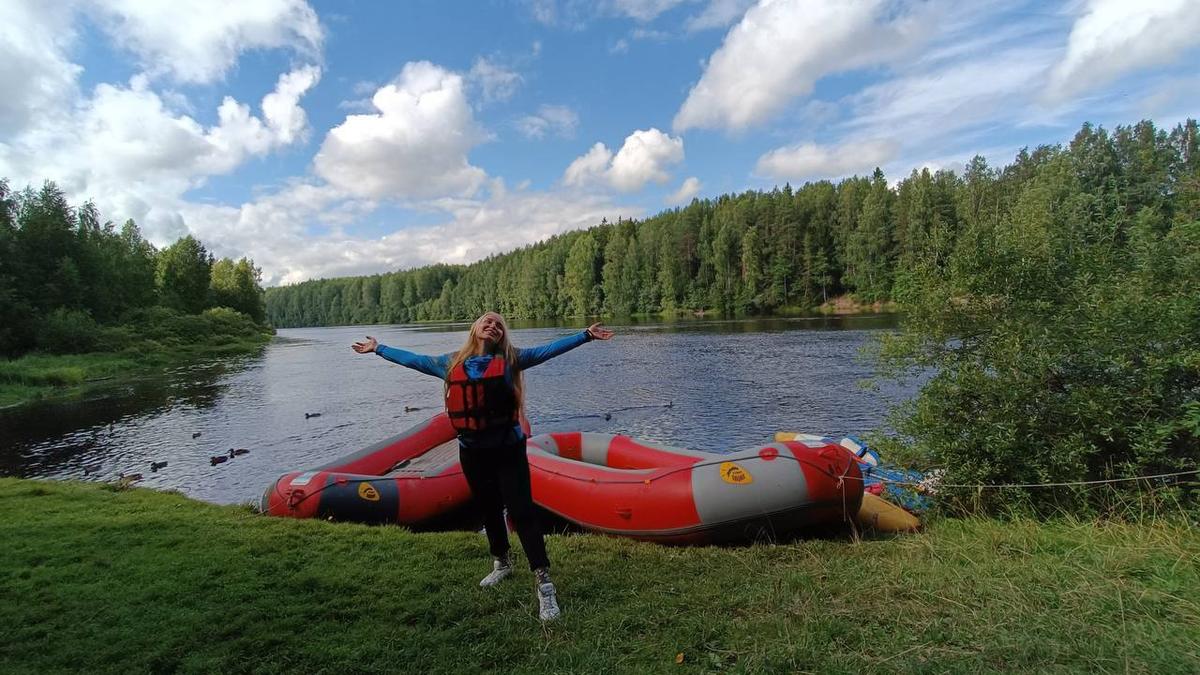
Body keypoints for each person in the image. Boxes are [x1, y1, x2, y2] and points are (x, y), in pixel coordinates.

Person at [352, 313, 614, 621]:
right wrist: (379, 348)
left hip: (508, 450)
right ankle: (502, 562)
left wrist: (585, 335)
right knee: (489, 509)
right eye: (487, 322)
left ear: (502, 335)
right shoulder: (450, 362)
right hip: (473, 452)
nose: (492, 326)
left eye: (498, 324)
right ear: (475, 328)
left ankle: (544, 582)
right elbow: (413, 360)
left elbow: (548, 350)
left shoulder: (512, 359)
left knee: (522, 512)